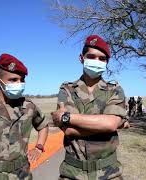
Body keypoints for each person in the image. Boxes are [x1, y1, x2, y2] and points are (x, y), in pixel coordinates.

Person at [51, 35, 129, 180]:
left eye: (102, 58)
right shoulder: (67, 89)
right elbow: (68, 130)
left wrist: (67, 117)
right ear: (81, 58)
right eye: (91, 56)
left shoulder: (115, 90)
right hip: (72, 173)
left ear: (107, 62)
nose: (96, 61)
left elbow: (110, 124)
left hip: (109, 173)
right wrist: (106, 124)